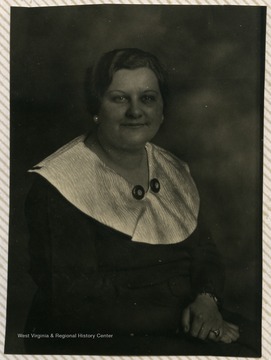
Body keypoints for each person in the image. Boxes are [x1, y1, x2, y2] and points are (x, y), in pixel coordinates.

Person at [24, 48, 257, 356]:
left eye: (147, 98)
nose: (136, 111)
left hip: (190, 318)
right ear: (96, 107)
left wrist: (206, 299)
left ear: (161, 109)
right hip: (101, 334)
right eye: (119, 98)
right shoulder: (58, 182)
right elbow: (76, 301)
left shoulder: (173, 168)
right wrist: (187, 320)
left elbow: (204, 252)